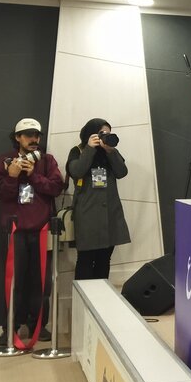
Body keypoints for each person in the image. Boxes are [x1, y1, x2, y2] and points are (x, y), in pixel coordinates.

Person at [0, 118, 62, 345]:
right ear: (17, 137)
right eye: (29, 135)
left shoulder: (47, 161)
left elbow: (56, 187)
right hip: (14, 231)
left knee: (41, 284)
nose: (34, 139)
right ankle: (10, 327)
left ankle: (38, 326)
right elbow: (0, 194)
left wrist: (33, 175)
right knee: (13, 282)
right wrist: (12, 176)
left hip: (42, 230)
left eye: (37, 135)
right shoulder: (6, 161)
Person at [67, 118, 131, 280]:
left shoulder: (110, 152)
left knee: (104, 260)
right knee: (85, 260)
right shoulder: (78, 151)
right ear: (91, 133)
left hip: (110, 215)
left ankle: (101, 294)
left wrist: (111, 151)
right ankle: (82, 296)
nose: (105, 136)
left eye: (108, 133)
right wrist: (89, 149)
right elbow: (76, 171)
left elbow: (122, 172)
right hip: (87, 216)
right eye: (102, 133)